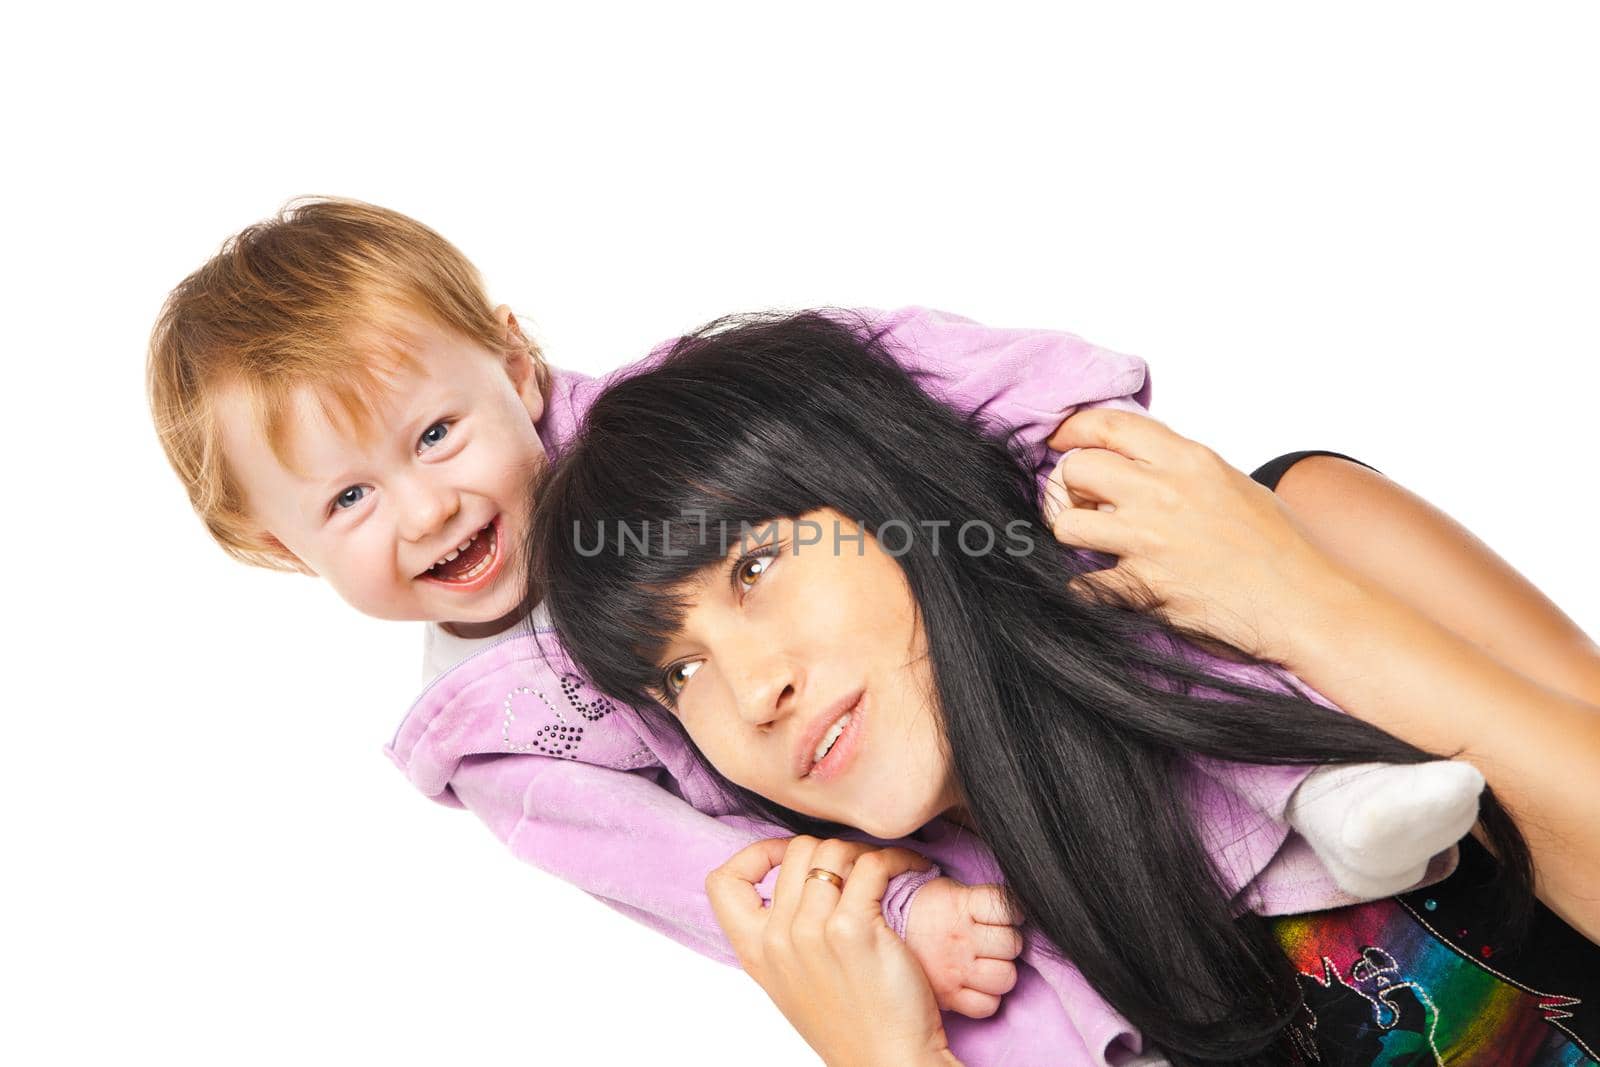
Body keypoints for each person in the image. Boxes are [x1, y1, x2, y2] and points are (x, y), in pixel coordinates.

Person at [146, 197, 1191, 1026]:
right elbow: (694, 877)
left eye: (434, 434)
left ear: (515, 364)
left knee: (1182, 671)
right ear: (285, 549)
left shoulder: (677, 408)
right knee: (1021, 995)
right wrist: (895, 914)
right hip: (906, 855)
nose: (425, 510)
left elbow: (888, 364)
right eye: (347, 499)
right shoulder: (497, 737)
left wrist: (1074, 429)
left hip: (1026, 676)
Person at [530, 311, 1600, 1065]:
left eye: (754, 566)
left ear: (892, 495)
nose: (750, 690)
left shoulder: (1299, 528)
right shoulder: (959, 967)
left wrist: (1302, 606)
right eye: (679, 671)